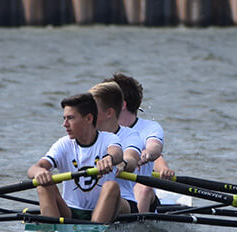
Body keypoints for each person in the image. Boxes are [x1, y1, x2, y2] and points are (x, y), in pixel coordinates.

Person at [27, 93, 125, 224]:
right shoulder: (64, 144)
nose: (64, 124)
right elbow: (33, 169)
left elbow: (117, 153)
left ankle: (94, 230)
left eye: (70, 118)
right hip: (70, 211)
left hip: (103, 210)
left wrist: (109, 158)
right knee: (42, 185)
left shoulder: (108, 139)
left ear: (89, 118)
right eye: (64, 118)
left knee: (111, 186)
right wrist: (39, 172)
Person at [107, 72, 174, 212]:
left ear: (122, 104)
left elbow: (155, 148)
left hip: (141, 195)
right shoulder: (101, 128)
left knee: (142, 187)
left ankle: (135, 228)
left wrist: (146, 154)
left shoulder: (150, 127)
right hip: (111, 193)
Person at [90, 81, 145, 215]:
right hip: (86, 201)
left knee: (110, 188)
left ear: (109, 113)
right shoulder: (82, 135)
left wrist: (122, 162)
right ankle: (45, 229)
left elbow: (131, 158)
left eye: (92, 109)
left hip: (123, 202)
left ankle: (91, 230)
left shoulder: (130, 135)